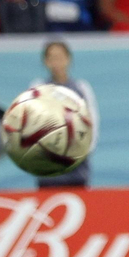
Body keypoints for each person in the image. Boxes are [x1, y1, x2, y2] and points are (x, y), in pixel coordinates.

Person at [29, 40, 98, 188]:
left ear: (68, 59)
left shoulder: (81, 88)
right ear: (45, 62)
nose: (56, 63)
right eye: (52, 58)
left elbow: (91, 124)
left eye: (60, 57)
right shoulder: (37, 88)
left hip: (77, 168)